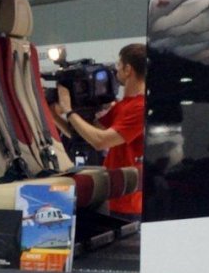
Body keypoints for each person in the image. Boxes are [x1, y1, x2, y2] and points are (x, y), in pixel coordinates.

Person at [55, 43, 146, 220]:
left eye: (119, 64)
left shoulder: (140, 107)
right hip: (113, 197)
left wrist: (68, 110)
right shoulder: (123, 105)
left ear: (128, 69)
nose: (116, 69)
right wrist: (53, 115)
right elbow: (86, 136)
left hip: (130, 204)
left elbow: (100, 141)